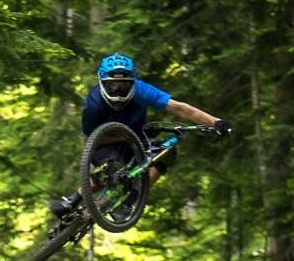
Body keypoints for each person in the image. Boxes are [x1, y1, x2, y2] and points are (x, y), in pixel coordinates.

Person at [51, 54, 230, 217]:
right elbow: (88, 141)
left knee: (166, 153)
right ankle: (72, 200)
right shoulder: (94, 104)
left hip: (136, 139)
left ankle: (130, 202)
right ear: (102, 82)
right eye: (113, 84)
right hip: (105, 143)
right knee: (111, 169)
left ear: (133, 82)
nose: (119, 90)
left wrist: (214, 122)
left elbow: (178, 108)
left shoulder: (141, 91)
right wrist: (127, 137)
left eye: (124, 84)